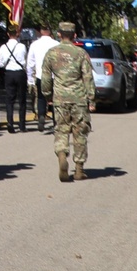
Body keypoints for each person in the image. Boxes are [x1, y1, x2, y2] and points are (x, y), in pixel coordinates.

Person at [41, 23, 95, 181]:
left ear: (59, 34)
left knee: (61, 130)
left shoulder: (51, 53)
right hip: (79, 99)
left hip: (60, 99)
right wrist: (91, 98)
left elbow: (45, 79)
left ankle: (62, 155)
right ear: (74, 35)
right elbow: (88, 78)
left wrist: (47, 95)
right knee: (80, 133)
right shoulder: (81, 53)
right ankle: (79, 169)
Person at [26, 22, 59, 132]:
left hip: (40, 76)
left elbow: (30, 63)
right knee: (54, 99)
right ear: (50, 32)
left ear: (41, 32)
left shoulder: (34, 44)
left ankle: (41, 115)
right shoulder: (56, 44)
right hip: (54, 76)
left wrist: (30, 79)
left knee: (41, 98)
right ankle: (55, 121)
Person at [0, 23, 28, 133]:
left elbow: (0, 64)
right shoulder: (22, 46)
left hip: (9, 74)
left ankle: (10, 122)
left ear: (7, 34)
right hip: (20, 73)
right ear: (17, 33)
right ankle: (22, 125)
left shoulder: (3, 47)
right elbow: (25, 60)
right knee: (22, 100)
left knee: (10, 100)